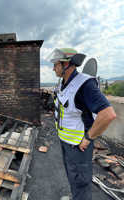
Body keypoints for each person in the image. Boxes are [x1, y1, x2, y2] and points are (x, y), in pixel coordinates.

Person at [48, 48, 116, 200]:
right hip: (66, 142)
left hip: (79, 145)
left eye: (56, 64)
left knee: (81, 183)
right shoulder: (64, 84)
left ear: (66, 64)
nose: (53, 68)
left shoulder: (85, 84)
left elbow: (108, 114)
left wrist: (88, 138)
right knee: (73, 178)